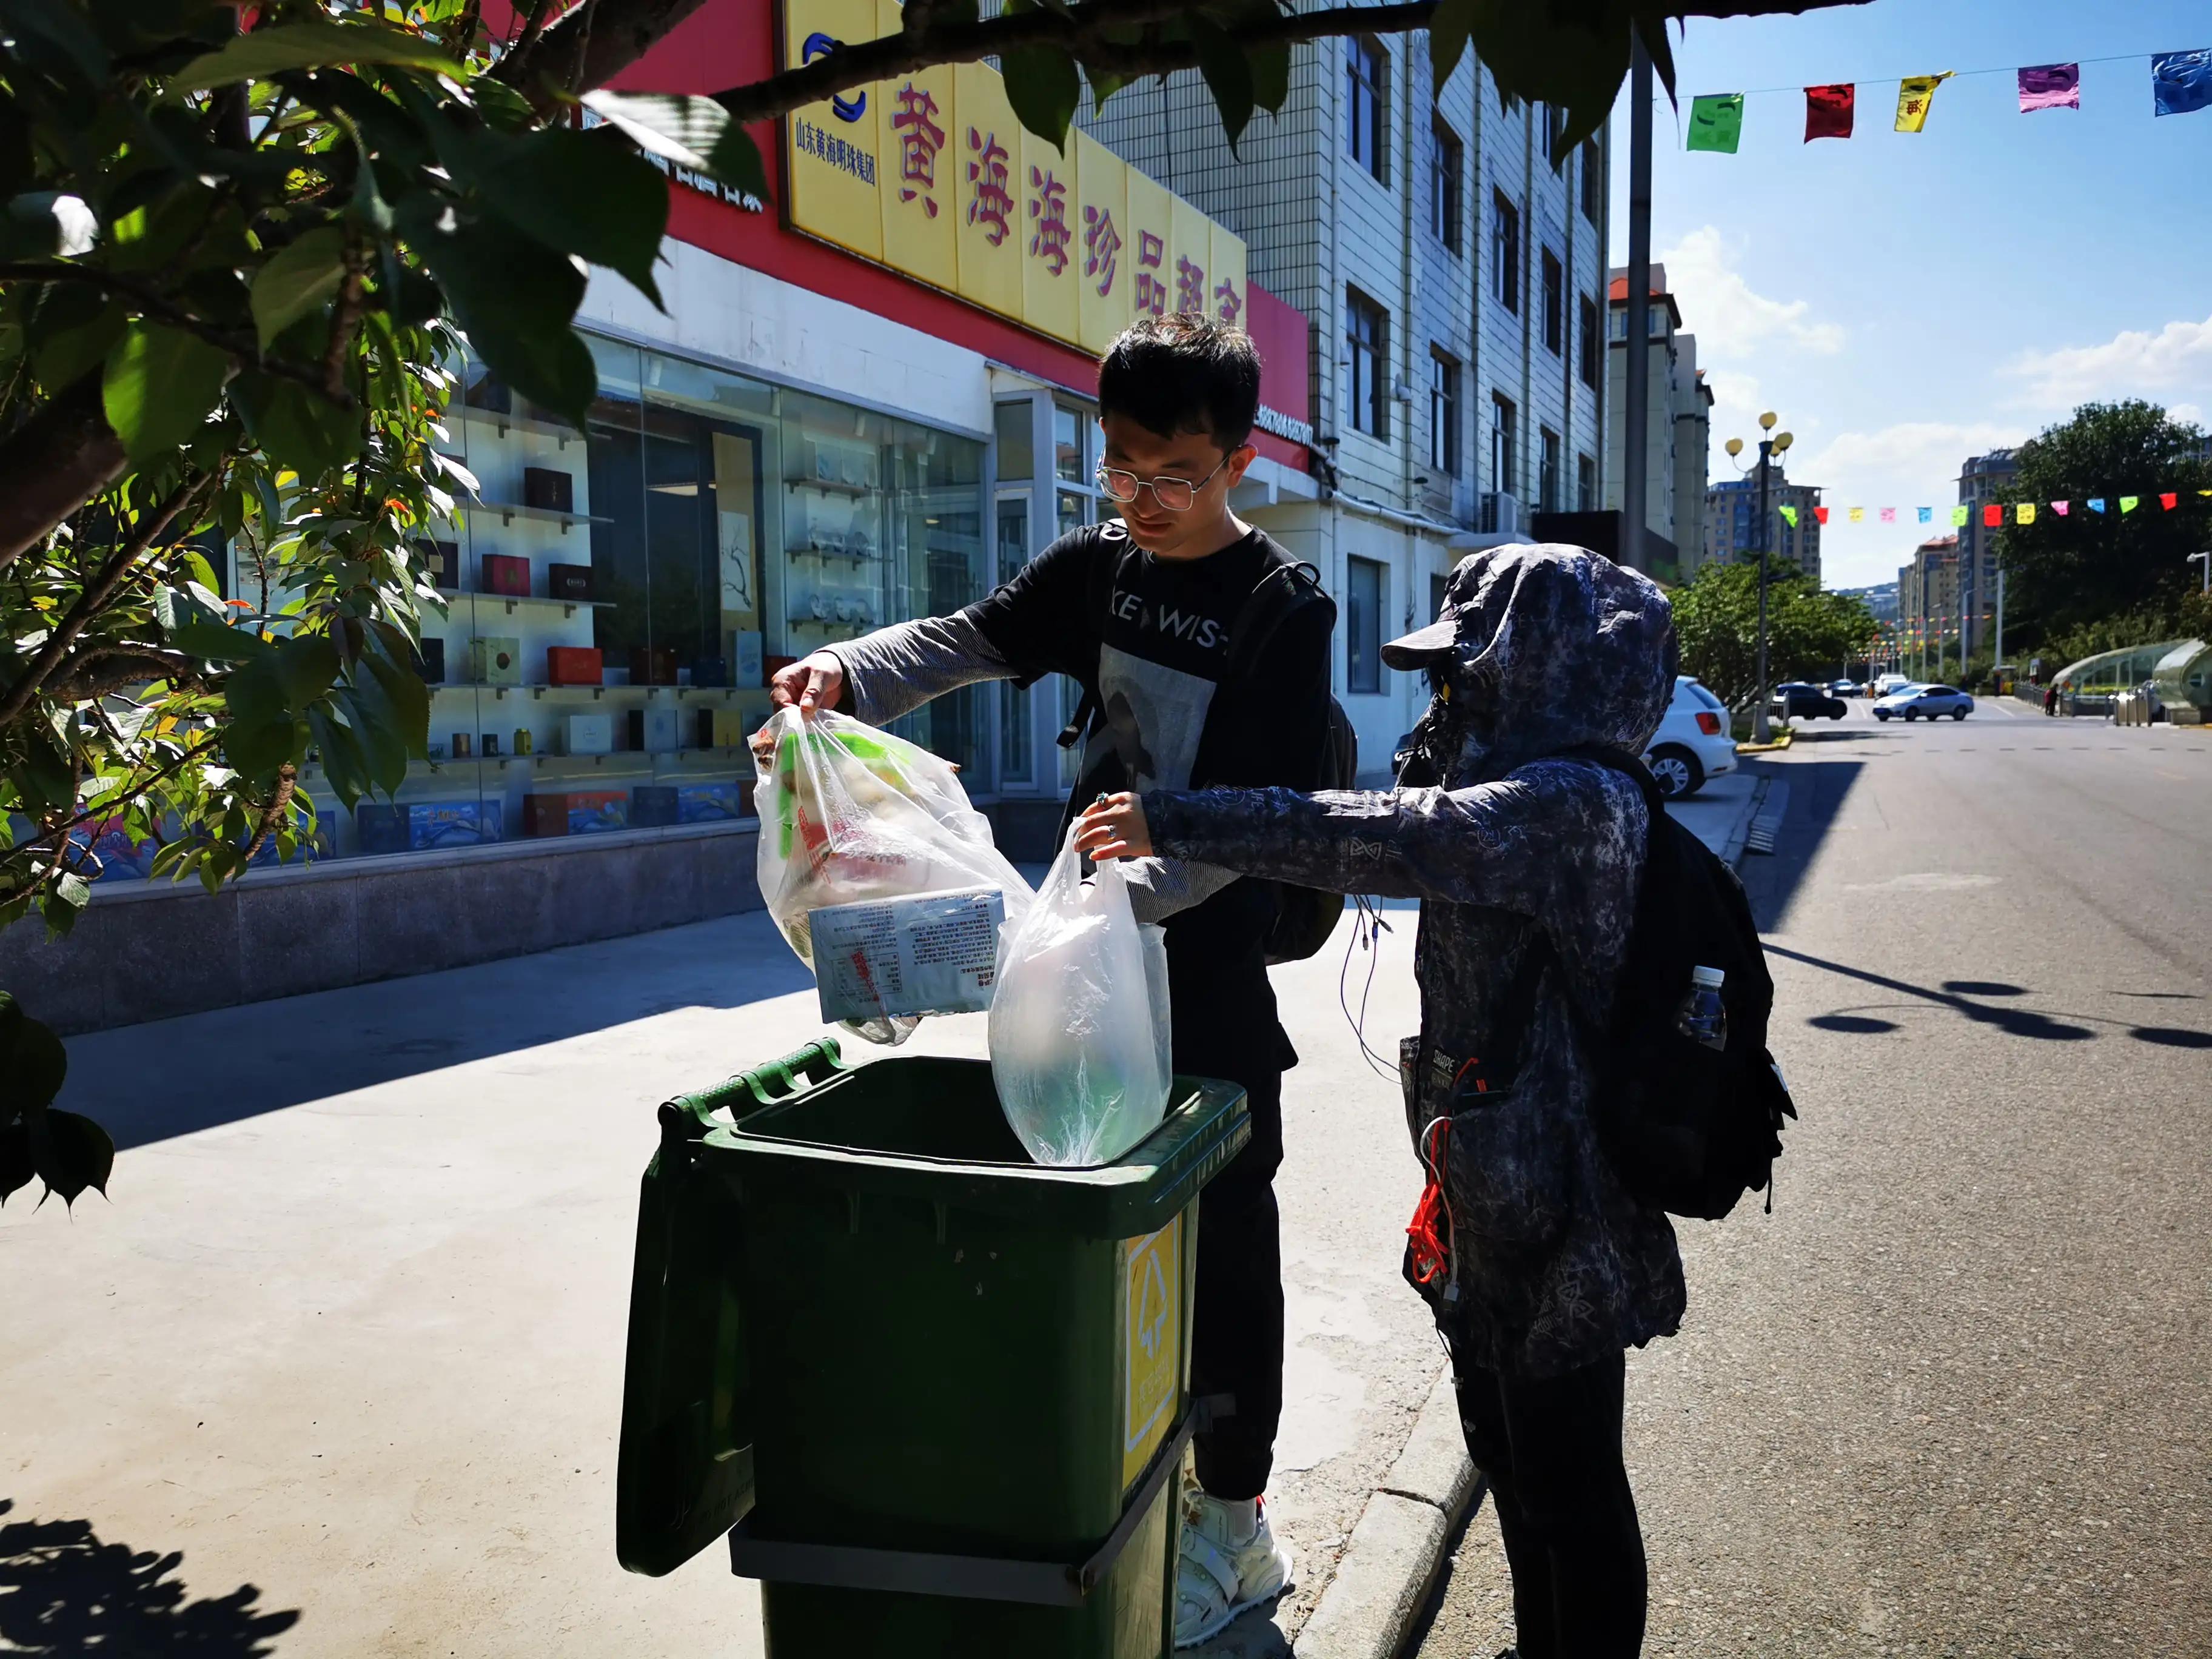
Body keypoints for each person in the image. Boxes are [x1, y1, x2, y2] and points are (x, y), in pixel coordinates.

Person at [769, 315, 1333, 1647]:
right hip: (1092, 959)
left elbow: (1269, 815)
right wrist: (851, 671)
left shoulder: (1280, 609)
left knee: (1228, 1243)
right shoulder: (1099, 565)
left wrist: (1130, 881)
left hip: (1202, 966)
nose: (1140, 503)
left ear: (1239, 461)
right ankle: (1114, 1467)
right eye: (1119, 471)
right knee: (1087, 1220)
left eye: (1173, 477)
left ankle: (1235, 1526)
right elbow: (972, 637)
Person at [1074, 544, 1684, 1659]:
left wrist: (1183, 819)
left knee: (1569, 1481)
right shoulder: (1513, 788)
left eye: (1473, 677)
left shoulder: (1572, 805)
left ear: (1552, 675)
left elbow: (1383, 837)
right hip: (1488, 1187)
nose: (1449, 701)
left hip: (1568, 1210)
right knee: (1506, 1456)